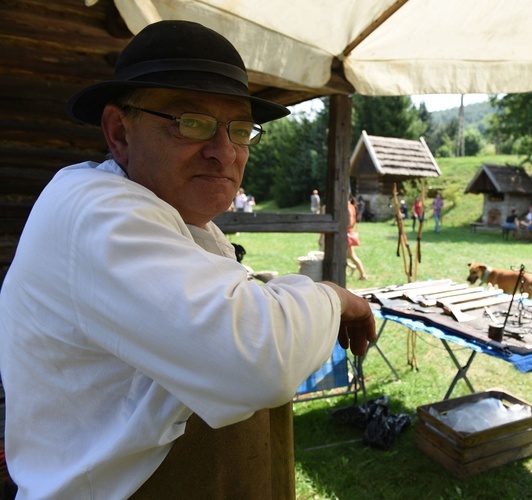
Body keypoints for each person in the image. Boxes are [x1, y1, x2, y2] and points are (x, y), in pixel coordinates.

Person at [0, 20, 376, 498]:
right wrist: (330, 295)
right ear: (120, 133)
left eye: (239, 129)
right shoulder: (96, 210)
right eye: (190, 121)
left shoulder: (178, 218)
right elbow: (256, 357)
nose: (224, 151)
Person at [347, 195, 367, 280]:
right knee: (349, 256)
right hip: (346, 233)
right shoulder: (350, 206)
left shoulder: (347, 207)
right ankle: (354, 269)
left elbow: (350, 222)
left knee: (352, 256)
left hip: (346, 234)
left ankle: (363, 274)